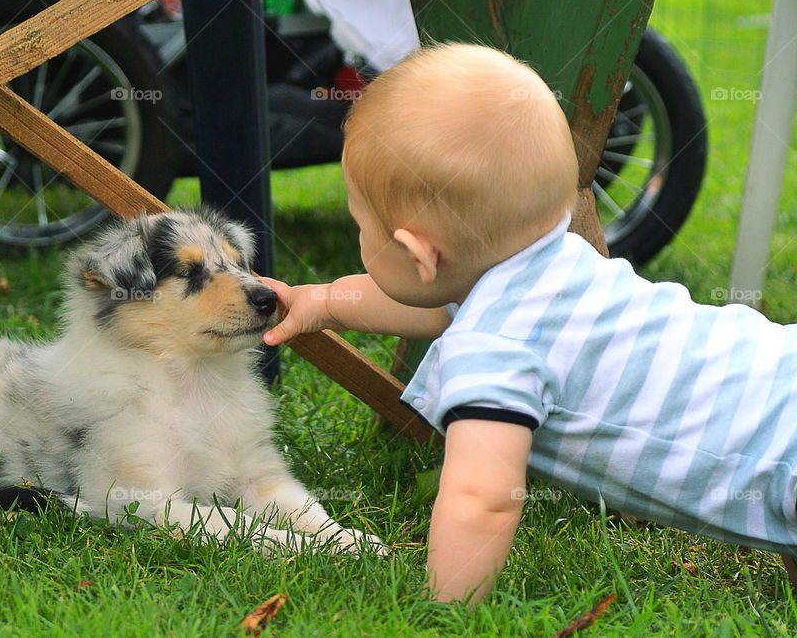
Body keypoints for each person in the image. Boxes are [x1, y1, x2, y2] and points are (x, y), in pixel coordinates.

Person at [261, 42, 797, 603]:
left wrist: (447, 605)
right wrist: (322, 301)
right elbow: (425, 305)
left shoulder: (495, 347)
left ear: (418, 256)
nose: (358, 237)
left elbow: (482, 497)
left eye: (360, 225)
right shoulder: (548, 267)